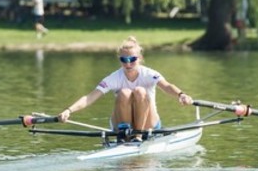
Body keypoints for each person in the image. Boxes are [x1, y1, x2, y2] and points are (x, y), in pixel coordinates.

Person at [58, 36, 193, 142]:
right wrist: (69, 110)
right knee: (124, 93)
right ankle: (126, 135)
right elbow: (90, 97)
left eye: (132, 59)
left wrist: (181, 95)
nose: (128, 63)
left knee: (140, 91)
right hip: (122, 124)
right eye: (124, 59)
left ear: (140, 58)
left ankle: (138, 136)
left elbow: (167, 86)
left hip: (148, 123)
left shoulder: (149, 74)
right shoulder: (113, 78)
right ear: (120, 59)